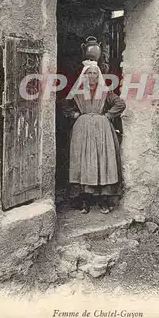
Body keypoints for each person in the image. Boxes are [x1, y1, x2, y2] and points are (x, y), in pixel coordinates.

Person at [63, 60, 126, 214]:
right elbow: (64, 104)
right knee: (83, 161)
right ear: (84, 75)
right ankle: (84, 199)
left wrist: (108, 115)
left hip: (101, 129)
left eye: (95, 73)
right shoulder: (77, 90)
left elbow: (120, 104)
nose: (92, 76)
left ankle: (103, 199)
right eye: (89, 73)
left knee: (101, 159)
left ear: (99, 76)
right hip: (82, 129)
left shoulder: (105, 91)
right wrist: (74, 114)